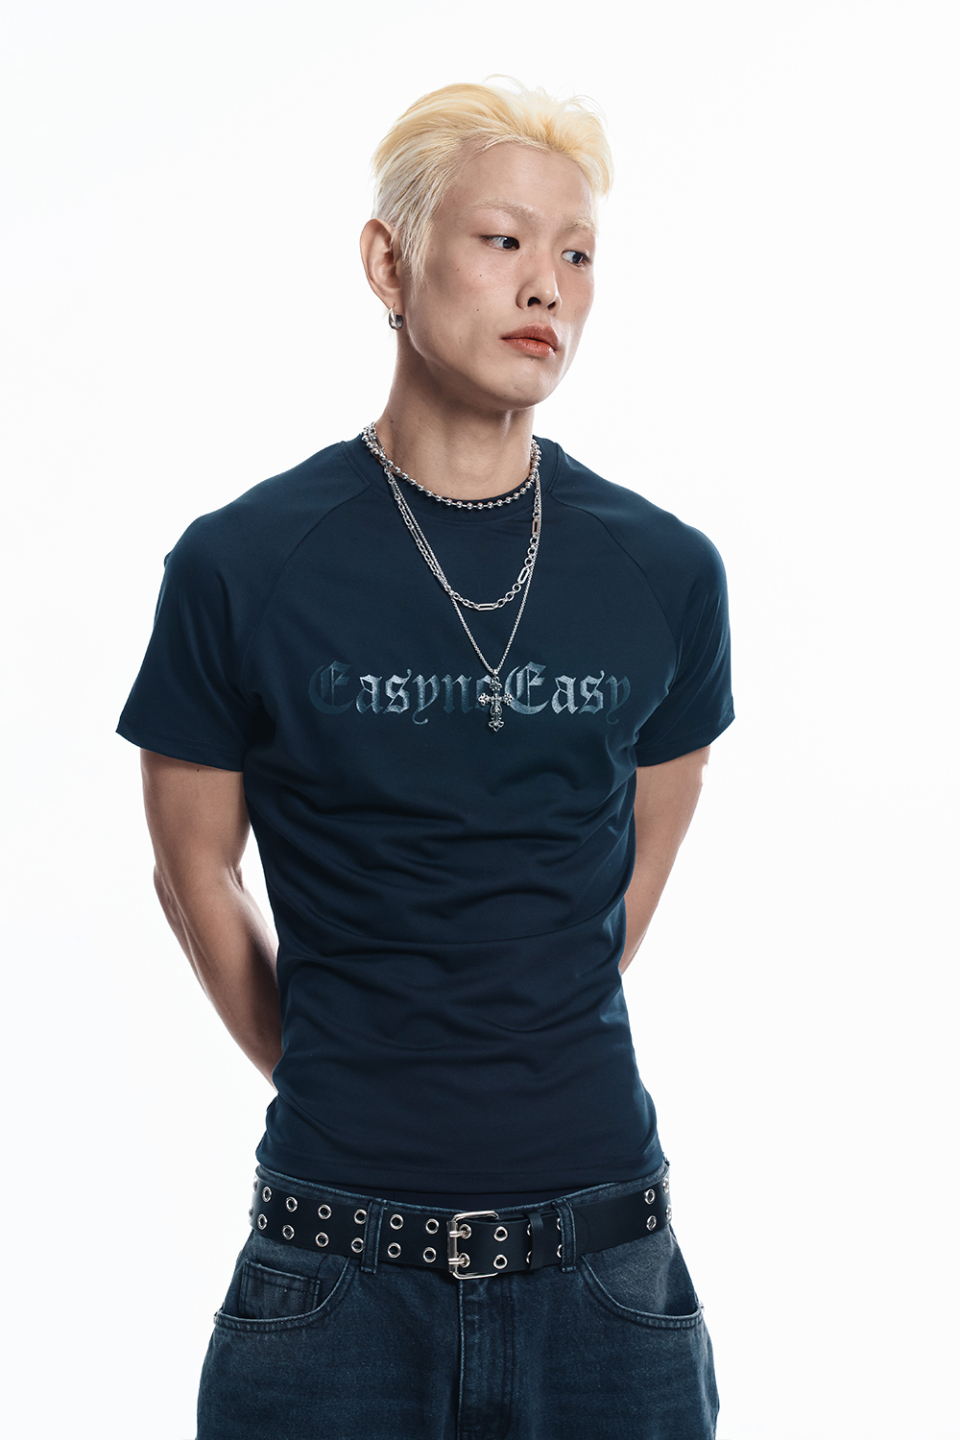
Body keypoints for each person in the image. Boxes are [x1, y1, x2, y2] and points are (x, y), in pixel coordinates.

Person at [118, 79, 734, 1440]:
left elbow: (616, 900)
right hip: (333, 1276)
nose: (547, 285)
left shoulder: (667, 575)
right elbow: (192, 876)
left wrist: (501, 1028)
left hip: (606, 1278)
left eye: (578, 253)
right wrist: (341, 1065)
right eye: (503, 240)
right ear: (388, 265)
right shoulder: (240, 566)